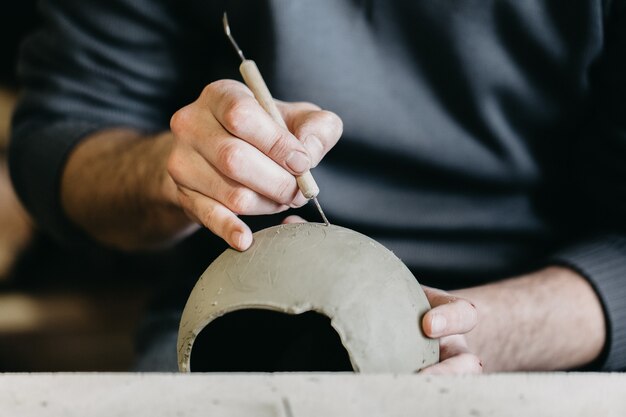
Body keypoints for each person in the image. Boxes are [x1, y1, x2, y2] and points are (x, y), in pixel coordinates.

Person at [9, 0, 626, 372]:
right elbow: (57, 139)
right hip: (239, 321)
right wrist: (170, 172)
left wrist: (488, 330)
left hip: (546, 321)